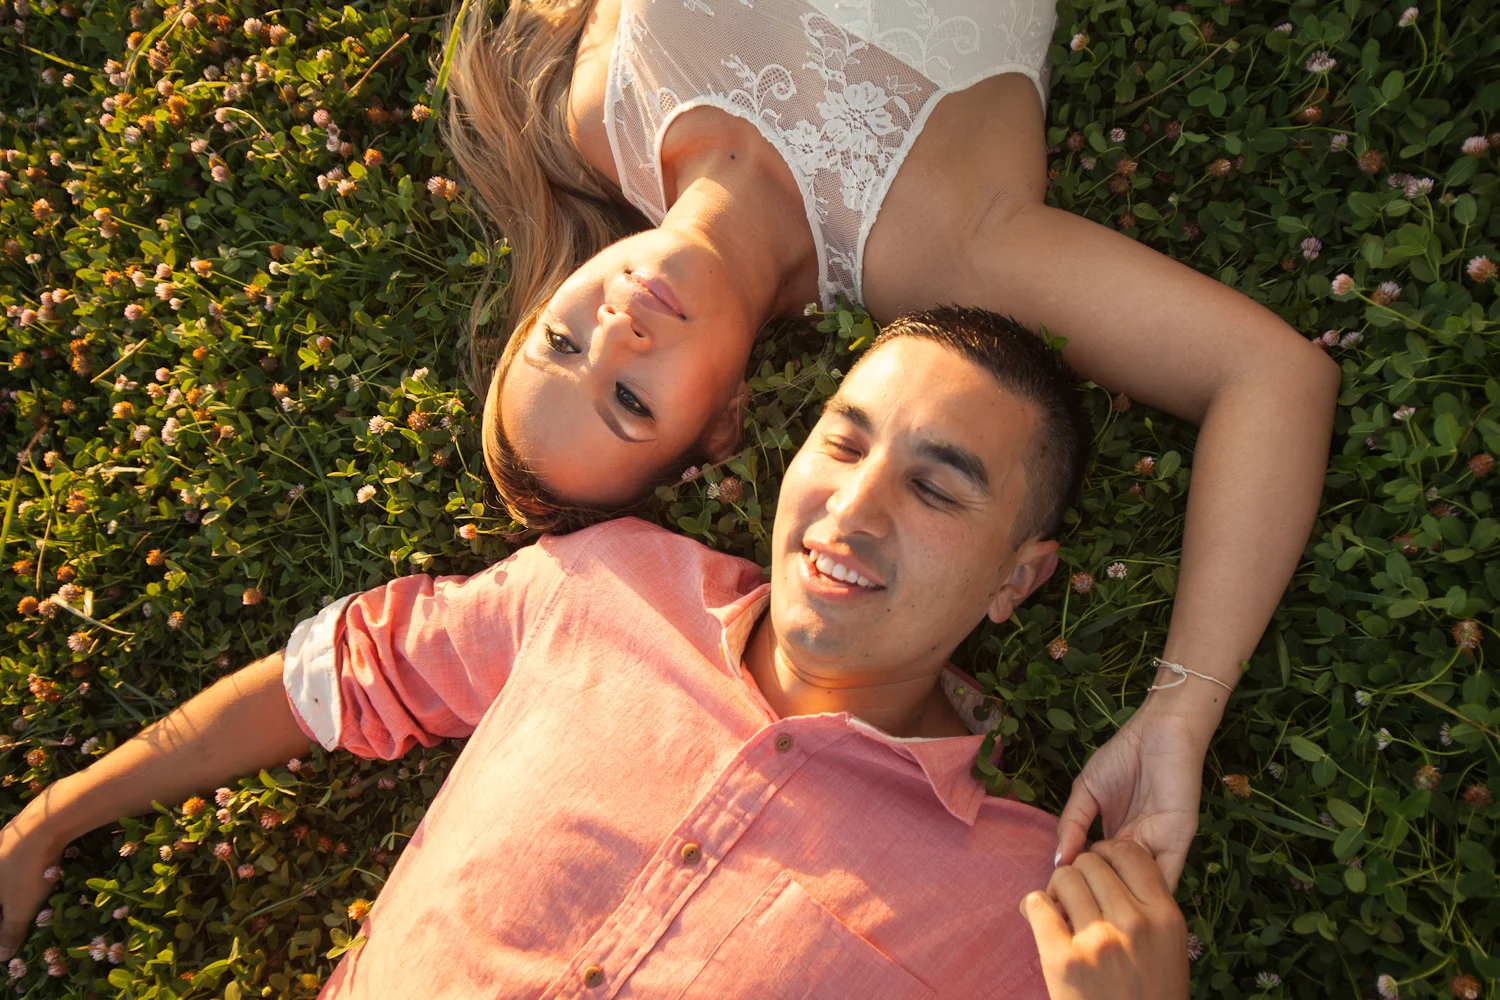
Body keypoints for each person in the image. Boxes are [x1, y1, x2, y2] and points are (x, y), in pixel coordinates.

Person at [1, 310, 1188, 999]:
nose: (851, 511)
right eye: (844, 442)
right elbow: (335, 680)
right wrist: (46, 821)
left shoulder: (1032, 901)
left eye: (936, 487)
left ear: (1018, 576)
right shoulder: (606, 587)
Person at [448, 0, 1340, 886]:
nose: (612, 335)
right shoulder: (949, 258)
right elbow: (1270, 378)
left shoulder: (603, 107)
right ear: (723, 422)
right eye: (633, 403)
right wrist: (1179, 713)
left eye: (558, 345)